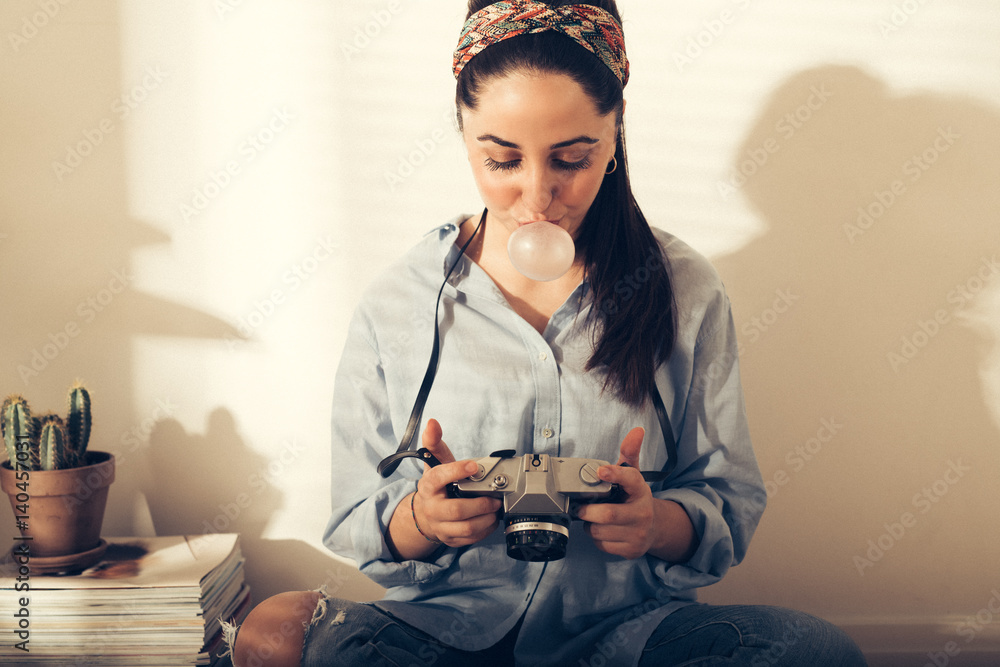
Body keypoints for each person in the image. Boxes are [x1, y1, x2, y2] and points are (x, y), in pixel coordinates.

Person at [229, 1, 868, 665]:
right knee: (272, 629)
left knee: (815, 652)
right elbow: (358, 511)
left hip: (626, 635)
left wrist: (654, 524)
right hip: (443, 631)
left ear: (615, 132)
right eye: (502, 160)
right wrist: (421, 519)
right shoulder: (402, 299)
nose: (537, 198)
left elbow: (726, 500)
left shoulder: (684, 288)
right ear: (463, 133)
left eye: (571, 158)